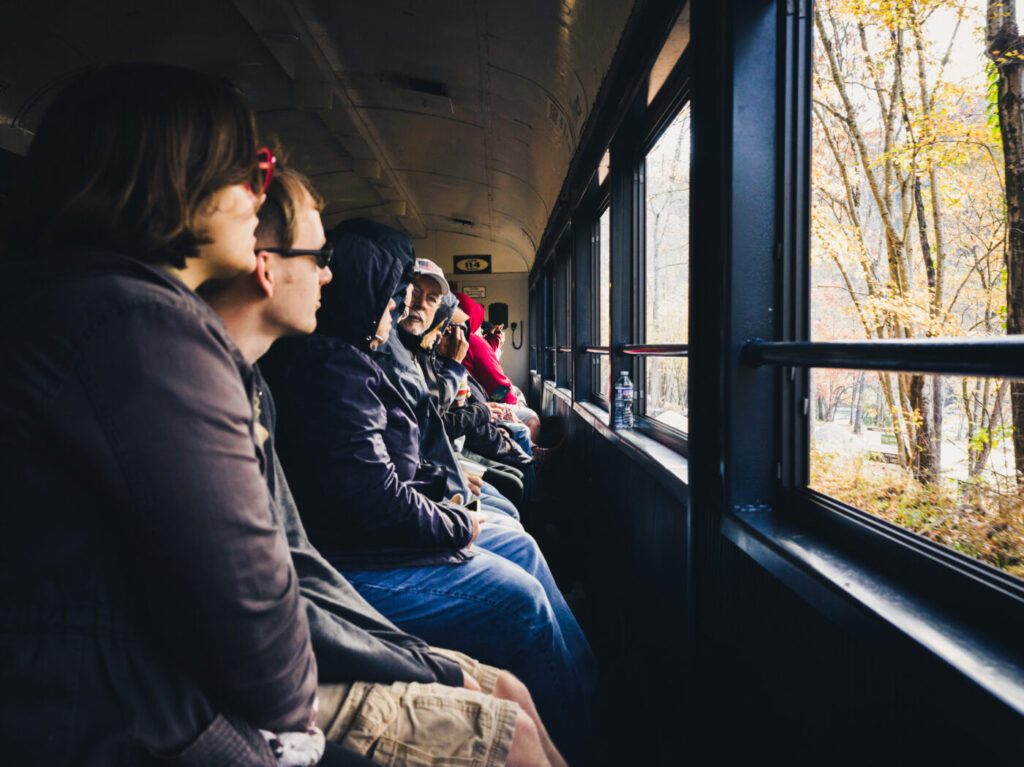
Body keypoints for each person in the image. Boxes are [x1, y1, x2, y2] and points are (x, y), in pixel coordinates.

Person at [0, 64, 317, 765]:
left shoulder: (60, 301)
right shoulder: (142, 325)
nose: (257, 195)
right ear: (177, 175)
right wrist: (294, 719)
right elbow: (252, 602)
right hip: (109, 719)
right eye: (253, 169)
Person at [200, 165, 565, 766]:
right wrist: (450, 521)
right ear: (265, 265)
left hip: (324, 591)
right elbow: (282, 577)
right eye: (316, 258)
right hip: (309, 623)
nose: (325, 274)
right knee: (519, 611)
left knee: (513, 678)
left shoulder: (260, 381)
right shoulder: (311, 371)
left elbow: (295, 559)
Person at [260, 228, 597, 762]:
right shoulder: (332, 368)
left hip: (384, 535)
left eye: (418, 298)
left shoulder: (360, 356)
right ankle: (582, 734)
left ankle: (583, 690)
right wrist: (457, 519)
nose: (402, 310)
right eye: (397, 297)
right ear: (372, 294)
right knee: (523, 602)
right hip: (363, 562)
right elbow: (377, 493)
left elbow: (398, 457)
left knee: (521, 545)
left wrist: (451, 497)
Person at [456, 291, 542, 440]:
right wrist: (513, 402)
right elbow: (496, 381)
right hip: (479, 405)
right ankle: (532, 454)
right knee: (532, 418)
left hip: (472, 404)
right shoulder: (473, 341)